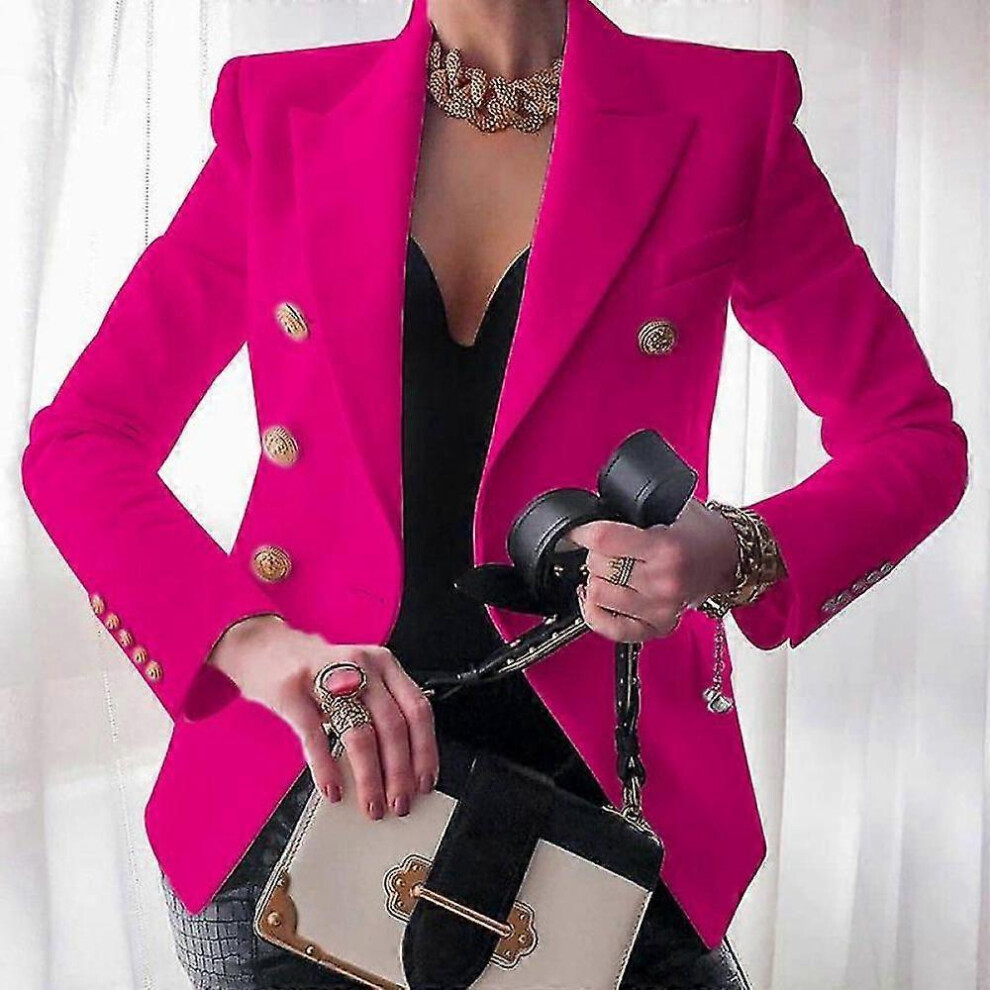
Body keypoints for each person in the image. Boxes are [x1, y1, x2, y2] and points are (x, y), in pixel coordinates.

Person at [20, 0, 969, 986]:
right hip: (294, 803)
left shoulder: (724, 116)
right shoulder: (284, 114)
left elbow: (912, 439)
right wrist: (255, 644)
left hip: (609, 808)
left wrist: (722, 553)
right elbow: (82, 441)